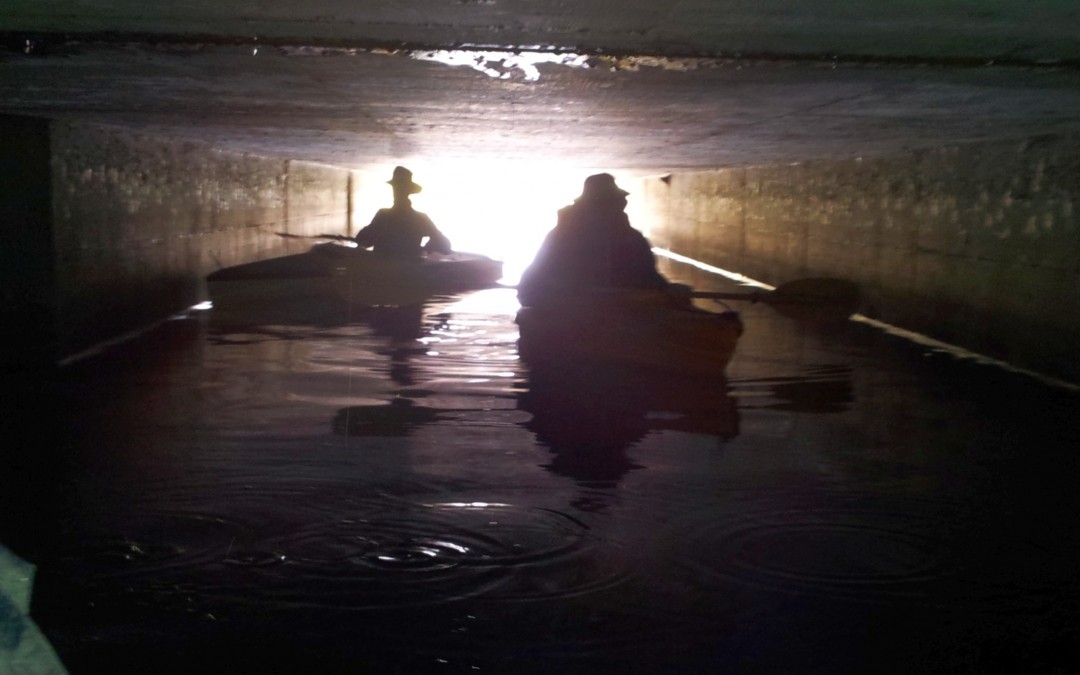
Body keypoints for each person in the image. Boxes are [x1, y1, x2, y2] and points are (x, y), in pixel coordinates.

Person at [517, 173, 680, 307]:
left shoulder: (560, 236)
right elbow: (531, 290)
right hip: (581, 313)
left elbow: (529, 287)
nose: (622, 205)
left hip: (590, 311)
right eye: (615, 201)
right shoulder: (628, 238)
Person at [353, 166, 452, 257]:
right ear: (410, 191)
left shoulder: (383, 215)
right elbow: (445, 246)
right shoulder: (421, 218)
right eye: (396, 188)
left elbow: (363, 240)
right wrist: (425, 249)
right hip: (409, 271)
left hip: (383, 272)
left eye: (398, 188)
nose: (396, 191)